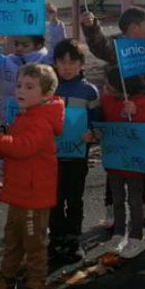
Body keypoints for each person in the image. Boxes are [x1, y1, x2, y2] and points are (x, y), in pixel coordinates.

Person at [0, 63, 65, 289]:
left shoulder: (41, 120)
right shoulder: (29, 115)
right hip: (20, 190)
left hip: (33, 195)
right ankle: (6, 282)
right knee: (13, 238)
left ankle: (36, 287)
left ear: (46, 94)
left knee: (34, 243)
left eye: (29, 86)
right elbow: (13, 147)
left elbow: (21, 147)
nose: (21, 90)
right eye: (19, 85)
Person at [80, 5, 145, 229]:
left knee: (141, 160)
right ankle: (111, 209)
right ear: (133, 27)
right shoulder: (116, 45)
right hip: (116, 112)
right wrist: (91, 27)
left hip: (141, 115)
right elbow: (99, 45)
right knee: (116, 161)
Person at [99, 67, 145, 259]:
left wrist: (136, 111)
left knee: (135, 200)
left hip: (135, 162)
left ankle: (136, 237)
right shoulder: (106, 100)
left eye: (109, 85)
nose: (105, 88)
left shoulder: (142, 100)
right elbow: (99, 119)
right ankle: (119, 233)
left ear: (121, 86)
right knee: (117, 199)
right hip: (115, 160)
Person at [49, 39, 100, 262]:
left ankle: (74, 238)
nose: (67, 67)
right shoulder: (49, 88)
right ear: (55, 63)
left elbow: (97, 121)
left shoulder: (89, 91)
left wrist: (93, 134)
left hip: (78, 156)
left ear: (82, 64)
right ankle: (56, 238)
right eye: (62, 62)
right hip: (52, 157)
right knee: (54, 199)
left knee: (74, 198)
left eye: (72, 62)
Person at [0, 35, 56, 126]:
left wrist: (55, 27)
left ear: (38, 46)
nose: (19, 48)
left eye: (25, 45)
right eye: (17, 44)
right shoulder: (6, 62)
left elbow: (56, 44)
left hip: (35, 122)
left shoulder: (44, 63)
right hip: (8, 120)